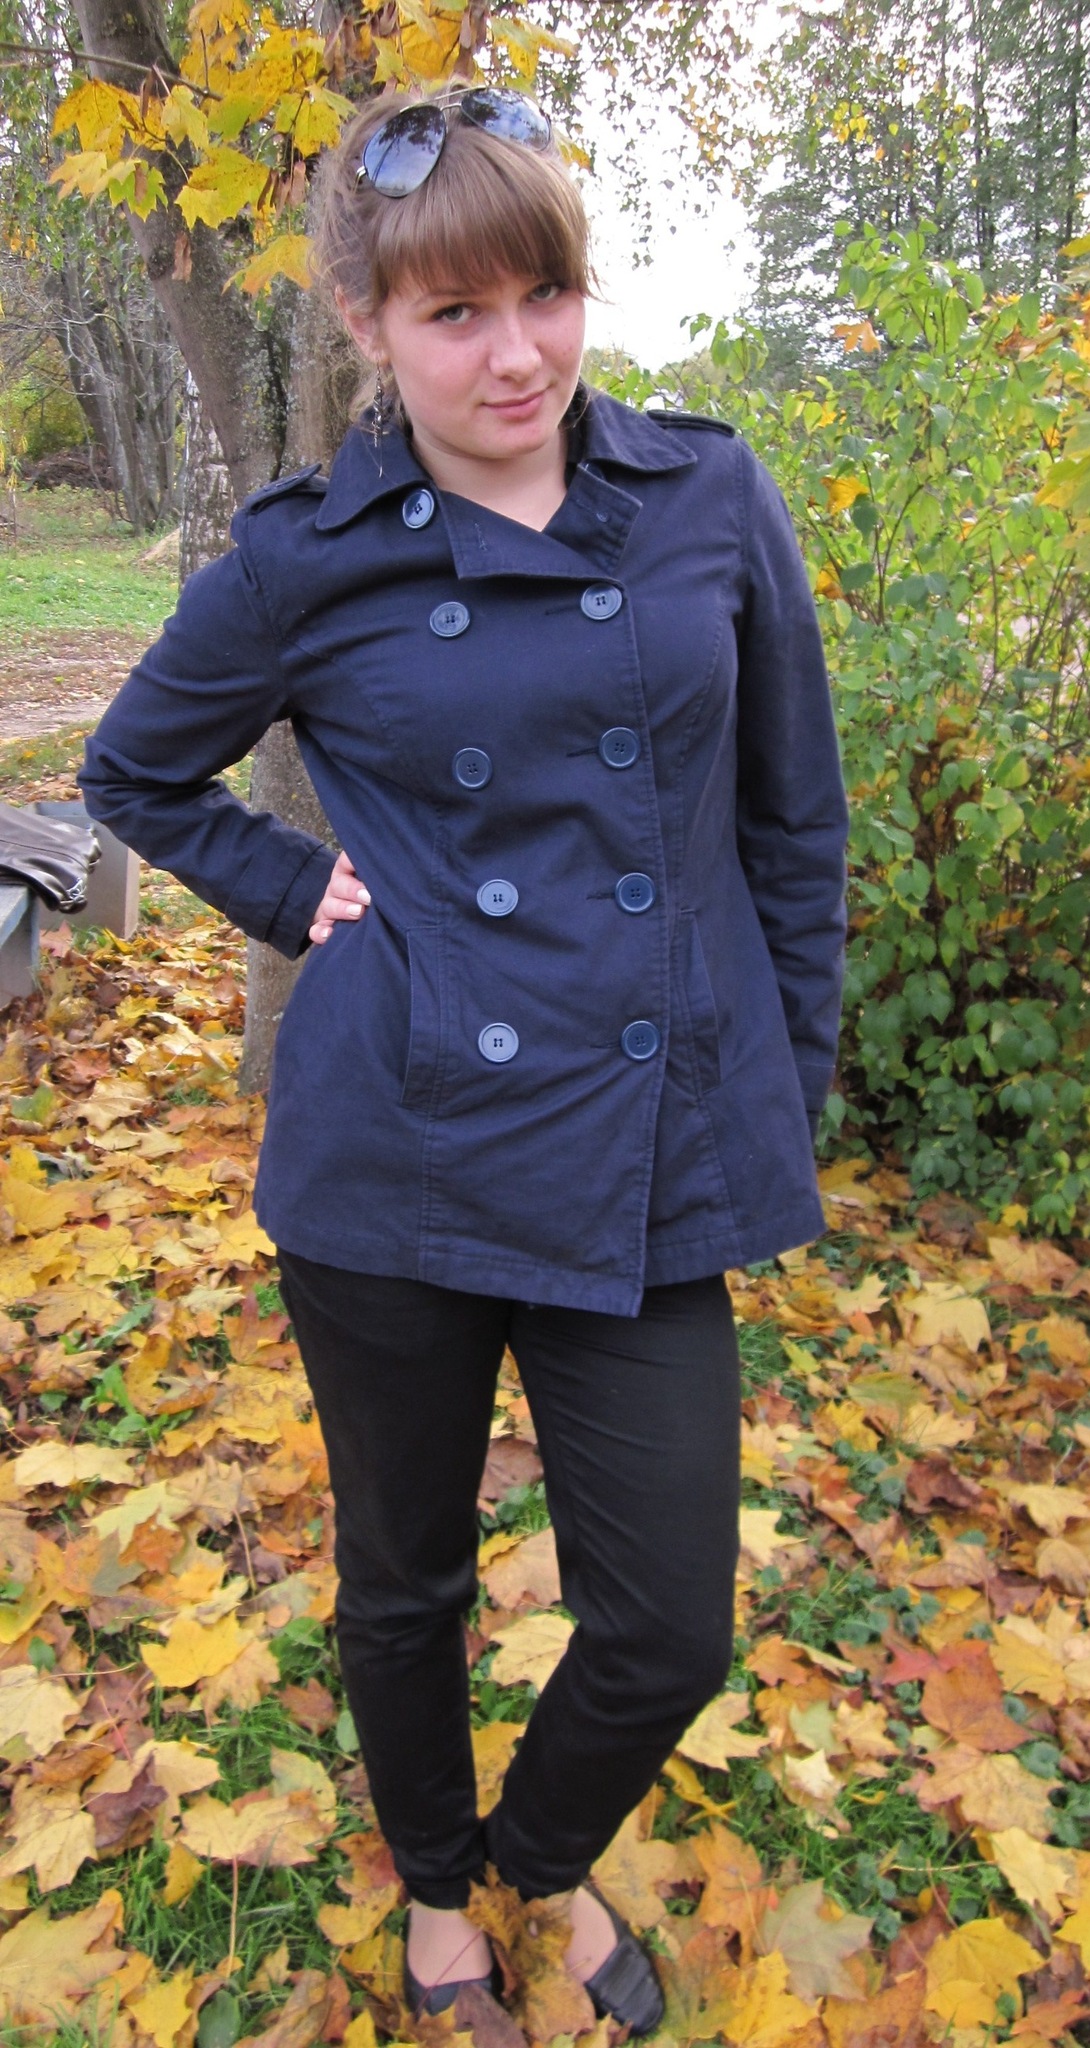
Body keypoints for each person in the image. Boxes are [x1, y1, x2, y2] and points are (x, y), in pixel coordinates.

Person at [78, 82, 849, 2037]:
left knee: (665, 1619)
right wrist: (296, 886)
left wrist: (780, 1086)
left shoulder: (703, 494)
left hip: (647, 1144)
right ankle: (441, 1897)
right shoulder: (305, 555)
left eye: (544, 295)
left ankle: (535, 1851)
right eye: (452, 313)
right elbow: (133, 772)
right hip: (395, 1150)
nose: (514, 354)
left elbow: (790, 825)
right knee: (404, 1577)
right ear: (366, 323)